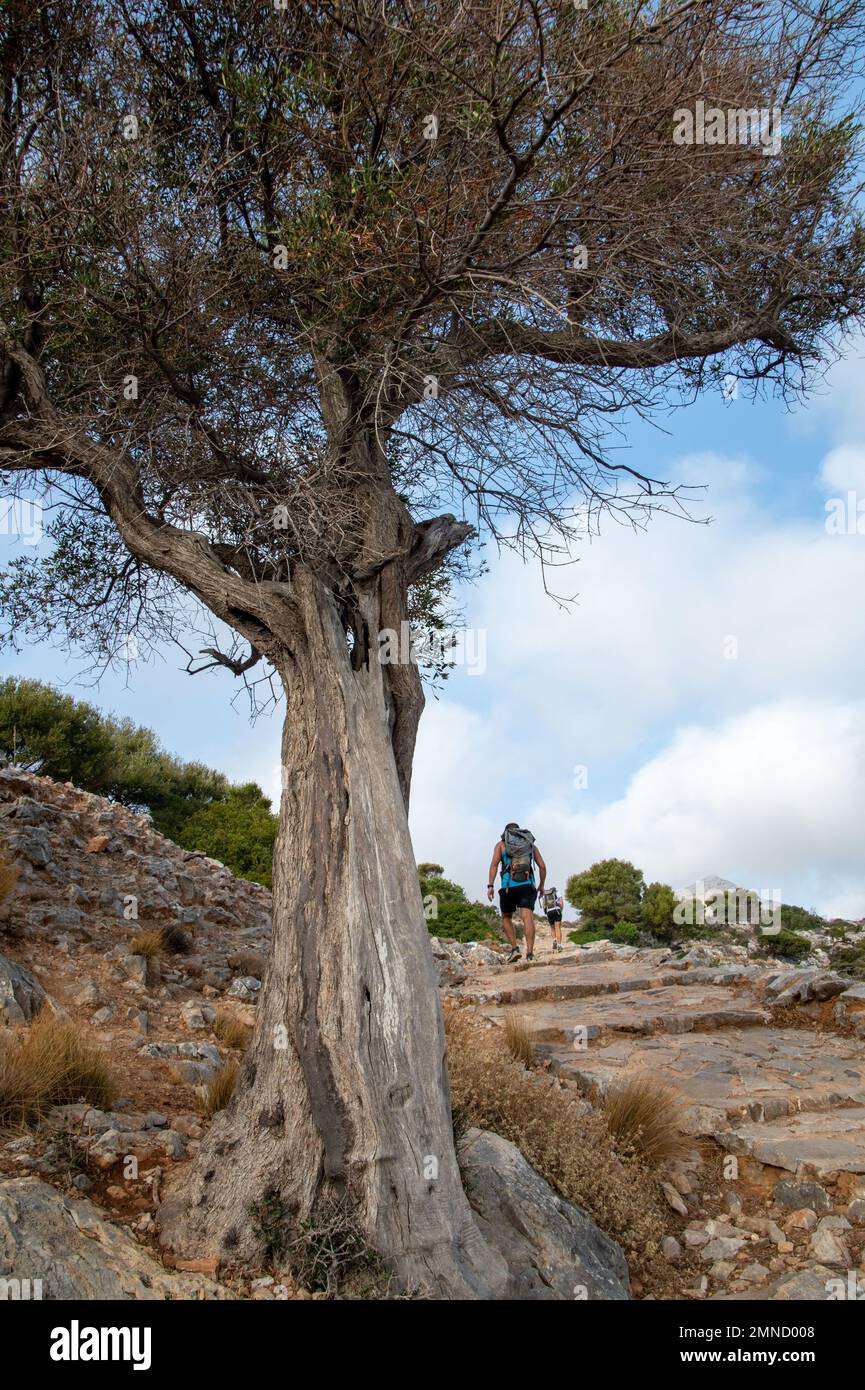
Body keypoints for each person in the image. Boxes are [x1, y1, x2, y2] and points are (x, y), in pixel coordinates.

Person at [486, 822, 546, 964]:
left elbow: (494, 865)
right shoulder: (530, 845)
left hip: (508, 887)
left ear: (506, 833)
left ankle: (514, 949)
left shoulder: (501, 845)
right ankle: (530, 954)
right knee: (527, 917)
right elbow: (542, 866)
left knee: (506, 917)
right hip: (526, 885)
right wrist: (541, 885)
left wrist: (490, 885)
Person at [542, 886, 565, 952]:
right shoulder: (557, 892)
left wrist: (546, 912)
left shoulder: (545, 895)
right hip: (556, 910)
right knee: (557, 927)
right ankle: (559, 945)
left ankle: (554, 939)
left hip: (549, 912)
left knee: (552, 928)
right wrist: (561, 910)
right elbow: (561, 902)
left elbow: (544, 904)